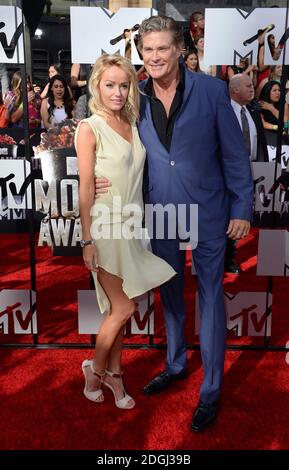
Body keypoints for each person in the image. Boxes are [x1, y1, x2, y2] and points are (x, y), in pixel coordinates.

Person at [95, 15, 253, 431]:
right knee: (169, 292)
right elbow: (121, 148)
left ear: (180, 50)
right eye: (148, 50)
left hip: (209, 210)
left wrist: (241, 208)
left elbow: (235, 156)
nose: (155, 57)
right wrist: (97, 176)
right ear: (140, 54)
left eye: (163, 48)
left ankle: (212, 389)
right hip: (160, 211)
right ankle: (176, 362)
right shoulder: (135, 96)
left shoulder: (214, 92)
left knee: (210, 294)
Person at [75, 54, 176, 410]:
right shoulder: (89, 127)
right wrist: (86, 240)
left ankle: (116, 377)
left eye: (123, 85)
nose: (117, 92)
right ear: (96, 87)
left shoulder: (132, 123)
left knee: (114, 312)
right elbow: (86, 187)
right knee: (123, 306)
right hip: (104, 228)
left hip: (132, 225)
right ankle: (95, 369)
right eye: (109, 85)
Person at [227, 73, 269, 274]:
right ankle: (225, 257)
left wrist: (263, 167)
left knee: (241, 215)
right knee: (228, 216)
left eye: (252, 85)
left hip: (251, 169)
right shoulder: (224, 111)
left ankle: (230, 256)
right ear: (234, 90)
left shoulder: (252, 111)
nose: (252, 89)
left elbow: (259, 141)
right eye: (247, 86)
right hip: (228, 174)